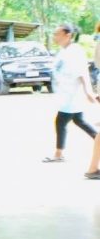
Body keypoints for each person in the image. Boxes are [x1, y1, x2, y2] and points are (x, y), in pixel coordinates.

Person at [42, 24, 97, 163]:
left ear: (68, 35)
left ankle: (58, 154)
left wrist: (88, 91)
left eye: (57, 34)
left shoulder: (75, 51)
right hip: (65, 95)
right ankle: (60, 153)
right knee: (78, 121)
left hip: (72, 95)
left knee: (61, 122)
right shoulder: (63, 51)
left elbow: (82, 73)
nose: (55, 37)